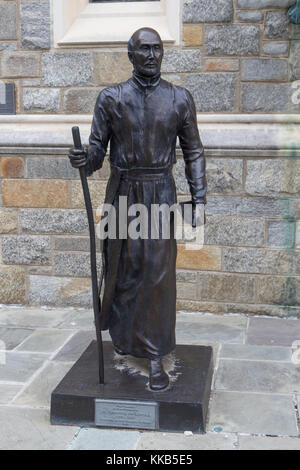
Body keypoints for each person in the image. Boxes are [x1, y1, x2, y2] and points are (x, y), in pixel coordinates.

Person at [69, 28, 207, 391]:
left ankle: (156, 354)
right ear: (130, 55)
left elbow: (193, 151)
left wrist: (199, 199)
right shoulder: (111, 99)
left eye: (157, 49)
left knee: (158, 275)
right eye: (143, 50)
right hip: (124, 191)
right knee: (125, 273)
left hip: (161, 191)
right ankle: (128, 342)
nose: (151, 55)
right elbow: (97, 153)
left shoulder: (179, 98)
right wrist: (84, 159)